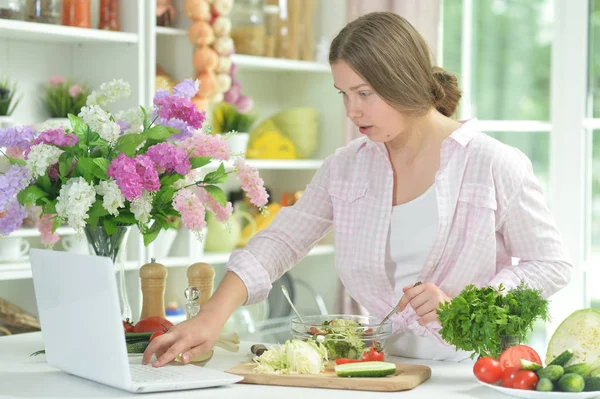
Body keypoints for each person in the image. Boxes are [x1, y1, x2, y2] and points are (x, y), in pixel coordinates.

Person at [143, 11, 572, 366]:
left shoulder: (492, 163)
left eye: (364, 93)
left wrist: (470, 302)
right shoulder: (347, 167)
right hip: (385, 370)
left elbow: (552, 264)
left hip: (476, 372)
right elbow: (279, 241)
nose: (352, 111)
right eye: (343, 93)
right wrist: (213, 316)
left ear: (403, 80)